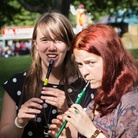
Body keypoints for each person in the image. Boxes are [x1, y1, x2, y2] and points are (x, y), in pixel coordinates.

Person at [0, 12, 95, 138]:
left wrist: (66, 110)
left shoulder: (86, 87)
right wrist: (19, 122)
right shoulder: (17, 84)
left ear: (69, 45)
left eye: (58, 40)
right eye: (45, 40)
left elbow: (90, 134)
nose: (51, 47)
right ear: (36, 45)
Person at [48, 24, 138, 138]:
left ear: (111, 58)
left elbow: (90, 133)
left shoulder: (131, 103)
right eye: (80, 64)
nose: (84, 72)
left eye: (91, 63)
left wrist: (91, 132)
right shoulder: (102, 94)